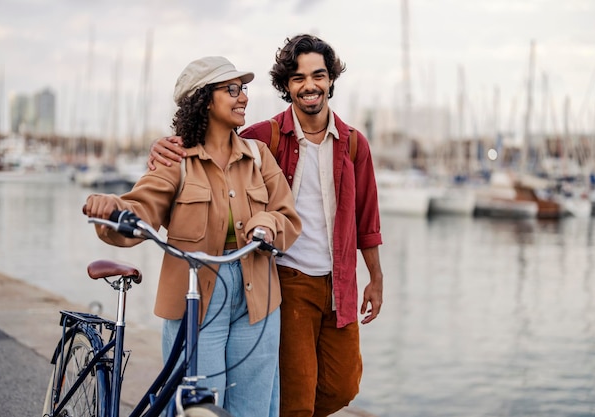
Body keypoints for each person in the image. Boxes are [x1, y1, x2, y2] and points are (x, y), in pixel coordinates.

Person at [148, 35, 384, 417]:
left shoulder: (354, 144)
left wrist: (374, 276)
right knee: (293, 398)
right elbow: (211, 146)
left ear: (330, 80)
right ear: (286, 86)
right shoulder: (264, 137)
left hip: (338, 283)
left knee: (343, 386)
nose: (310, 85)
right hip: (286, 279)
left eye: (318, 75)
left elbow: (366, 218)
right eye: (298, 78)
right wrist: (164, 146)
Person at [83, 56, 302, 417]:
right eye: (231, 90)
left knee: (254, 408)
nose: (243, 97)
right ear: (203, 99)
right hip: (196, 301)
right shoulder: (176, 160)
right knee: (198, 405)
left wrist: (266, 223)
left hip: (259, 297)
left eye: (242, 88)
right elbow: (142, 206)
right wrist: (112, 209)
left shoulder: (258, 155)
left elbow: (287, 215)